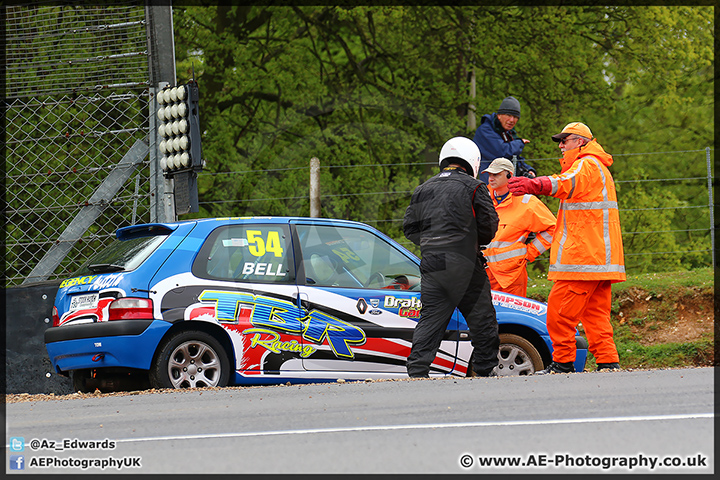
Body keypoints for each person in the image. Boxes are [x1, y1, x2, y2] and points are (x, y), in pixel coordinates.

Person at [507, 122, 625, 374]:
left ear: (580, 142)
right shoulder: (596, 166)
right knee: (595, 316)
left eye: (565, 140)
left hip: (583, 259)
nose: (561, 145)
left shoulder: (587, 164)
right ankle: (608, 362)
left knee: (559, 313)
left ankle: (563, 364)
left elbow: (565, 183)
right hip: (598, 260)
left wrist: (534, 185)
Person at [403, 136, 500, 378]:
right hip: (464, 263)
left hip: (433, 265)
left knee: (431, 320)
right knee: (483, 320)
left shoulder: (422, 189)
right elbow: (489, 227)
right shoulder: (475, 187)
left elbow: (410, 229)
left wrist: (432, 243)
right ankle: (485, 373)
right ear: (472, 162)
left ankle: (417, 371)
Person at [482, 158, 556, 298]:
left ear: (510, 175)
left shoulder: (526, 202)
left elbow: (553, 229)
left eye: (496, 174)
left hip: (511, 276)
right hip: (483, 274)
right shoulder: (482, 199)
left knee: (511, 318)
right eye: (490, 174)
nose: (491, 178)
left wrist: (529, 253)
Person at [473, 96, 536, 184]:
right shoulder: (485, 131)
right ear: (499, 115)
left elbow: (514, 157)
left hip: (504, 184)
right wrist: (520, 143)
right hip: (489, 184)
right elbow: (502, 152)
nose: (512, 120)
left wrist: (528, 169)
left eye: (515, 117)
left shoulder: (507, 133)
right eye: (508, 115)